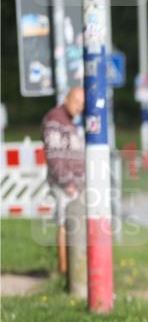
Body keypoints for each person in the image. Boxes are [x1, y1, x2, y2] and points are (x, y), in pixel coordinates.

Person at [41, 87, 85, 274]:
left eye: (82, 104)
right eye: (76, 101)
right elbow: (54, 154)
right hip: (64, 184)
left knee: (73, 224)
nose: (79, 107)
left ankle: (73, 268)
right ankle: (64, 270)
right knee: (63, 224)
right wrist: (67, 181)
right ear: (66, 98)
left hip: (76, 183)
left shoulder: (70, 123)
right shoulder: (55, 119)